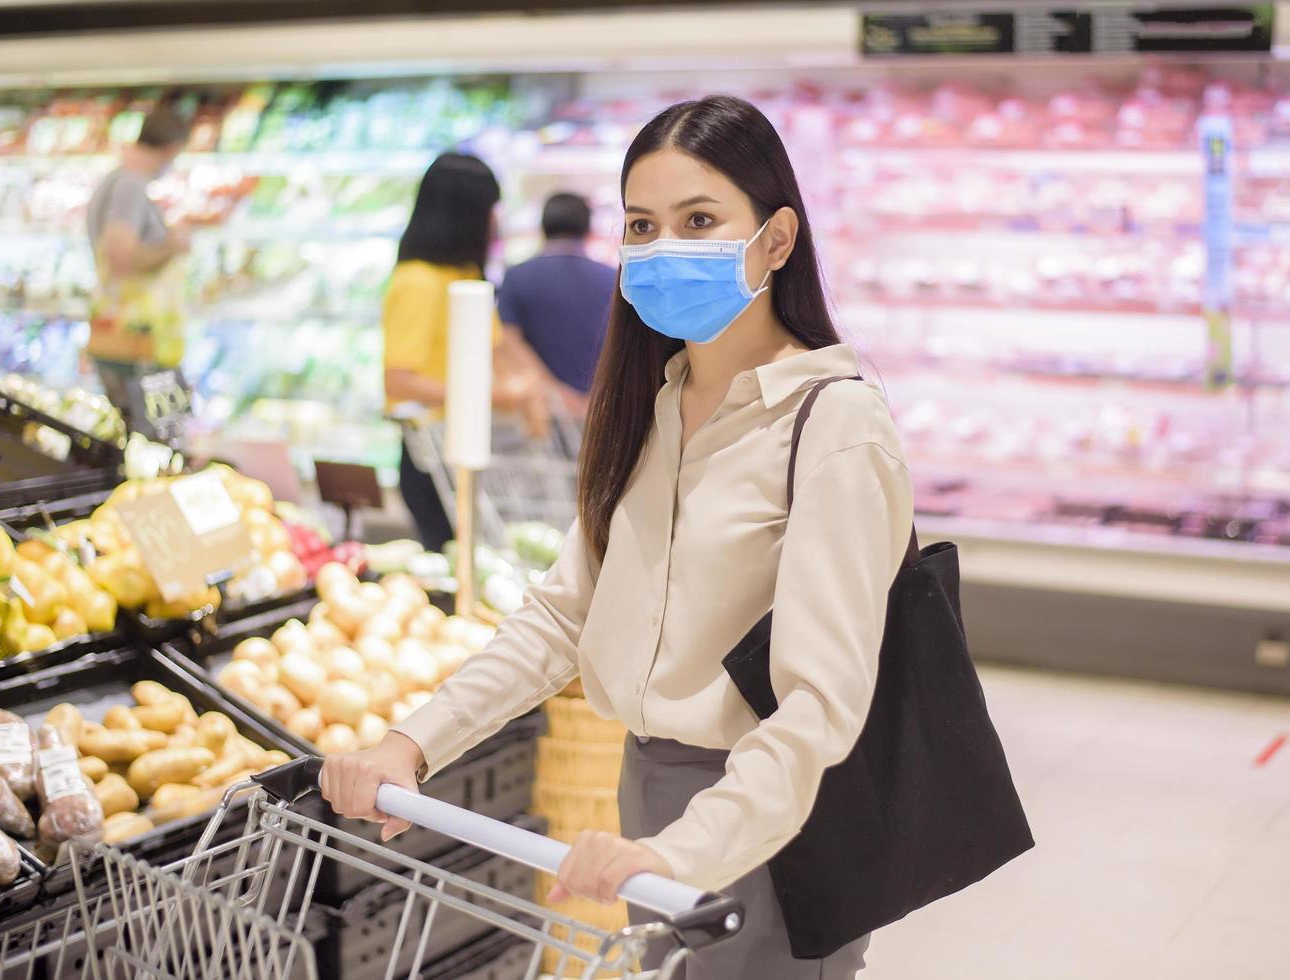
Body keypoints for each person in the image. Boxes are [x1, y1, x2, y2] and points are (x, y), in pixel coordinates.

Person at [323, 96, 912, 978]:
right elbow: (562, 617)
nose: (664, 247)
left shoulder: (834, 425)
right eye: (642, 225)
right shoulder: (656, 407)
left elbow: (817, 705)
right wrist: (413, 741)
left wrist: (685, 851)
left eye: (699, 220)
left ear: (777, 240)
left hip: (771, 813)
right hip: (650, 792)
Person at [382, 152, 549, 551]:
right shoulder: (417, 282)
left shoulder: (465, 276)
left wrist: (536, 392)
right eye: (490, 209)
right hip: (429, 456)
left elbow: (497, 347)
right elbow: (398, 380)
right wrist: (495, 396)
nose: (495, 221)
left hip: (470, 446)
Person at [85, 106, 192, 416]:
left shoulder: (117, 181)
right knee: (166, 439)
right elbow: (121, 257)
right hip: (138, 342)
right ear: (172, 149)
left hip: (120, 336)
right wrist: (172, 245)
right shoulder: (129, 186)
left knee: (139, 438)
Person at [496, 192, 616, 407]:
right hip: (601, 403)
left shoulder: (517, 276)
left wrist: (555, 392)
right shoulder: (612, 279)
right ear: (587, 227)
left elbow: (508, 341)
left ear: (543, 226)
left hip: (542, 406)